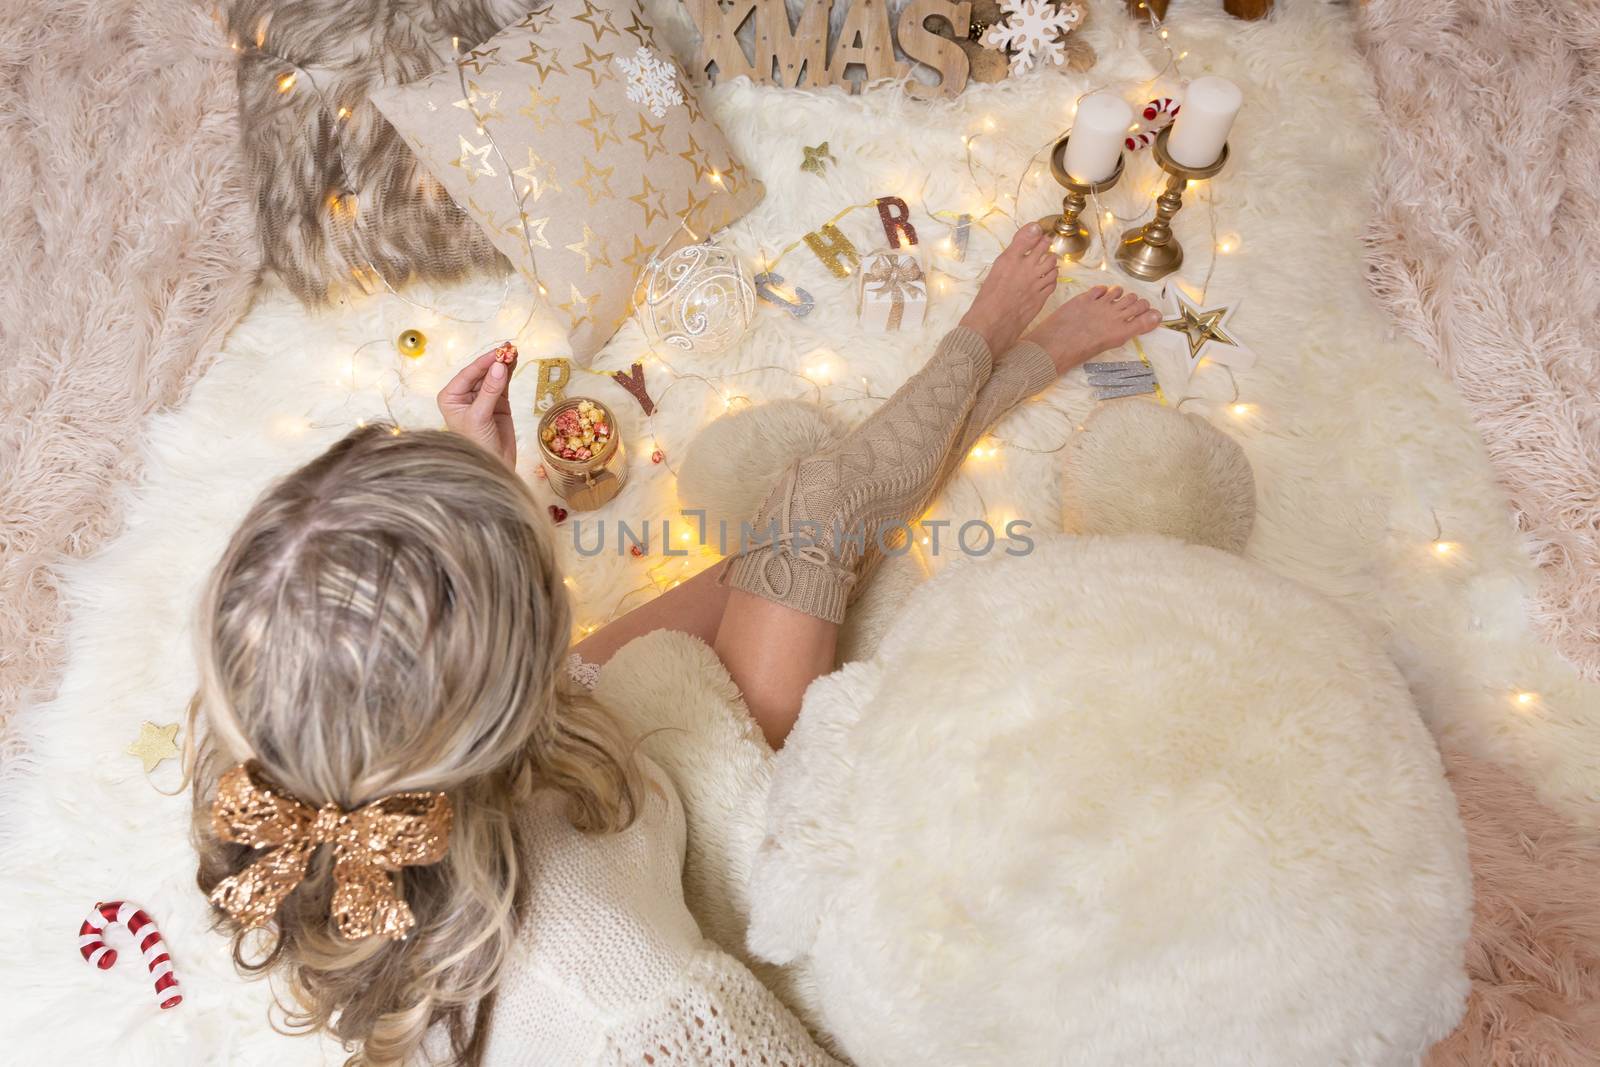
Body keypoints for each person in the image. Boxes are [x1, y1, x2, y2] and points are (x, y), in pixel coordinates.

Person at [189, 223, 1160, 1065]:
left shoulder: (255, 732)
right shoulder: (619, 996)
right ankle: (1000, 347)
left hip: (543, 786)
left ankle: (991, 359)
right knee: (816, 517)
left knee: (806, 532)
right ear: (509, 671)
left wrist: (471, 472)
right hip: (689, 844)